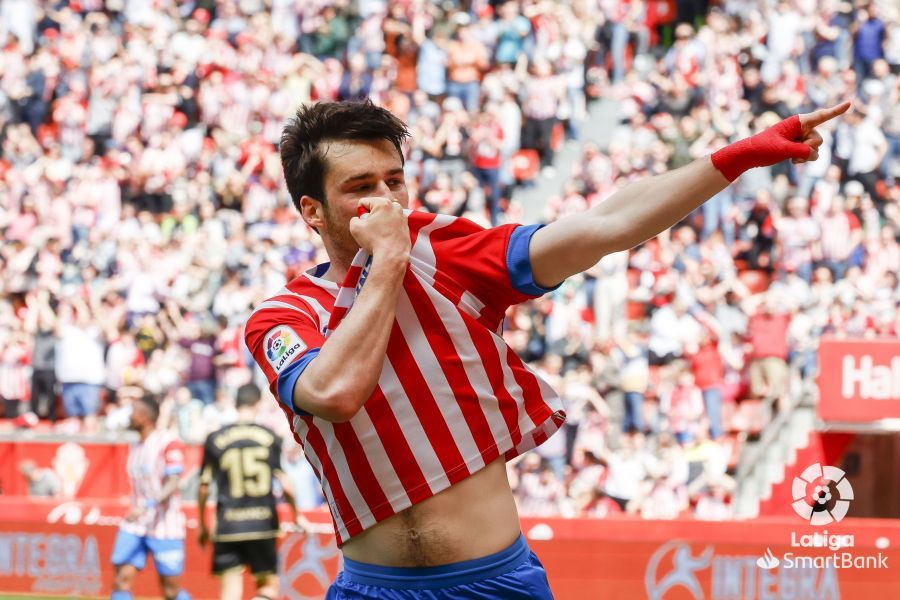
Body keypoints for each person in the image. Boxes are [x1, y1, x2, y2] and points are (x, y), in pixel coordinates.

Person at [243, 99, 847, 597]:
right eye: (360, 187)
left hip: (494, 582)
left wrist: (736, 158)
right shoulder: (282, 317)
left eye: (394, 181)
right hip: (372, 587)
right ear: (312, 211)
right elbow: (334, 394)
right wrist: (389, 263)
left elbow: (606, 226)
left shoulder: (448, 253)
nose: (387, 201)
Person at [198, 383, 309, 600]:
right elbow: (285, 484)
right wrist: (297, 515)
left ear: (235, 403)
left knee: (230, 591)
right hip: (263, 523)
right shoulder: (269, 437)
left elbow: (203, 487)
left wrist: (203, 524)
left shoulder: (215, 438)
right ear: (258, 403)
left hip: (227, 524)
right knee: (268, 588)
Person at [111, 394, 190, 600]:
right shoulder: (135, 447)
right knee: (122, 579)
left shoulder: (167, 442)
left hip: (165, 525)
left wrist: (149, 504)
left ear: (145, 417)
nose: (129, 417)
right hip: (135, 524)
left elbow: (173, 482)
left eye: (133, 412)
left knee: (171, 591)